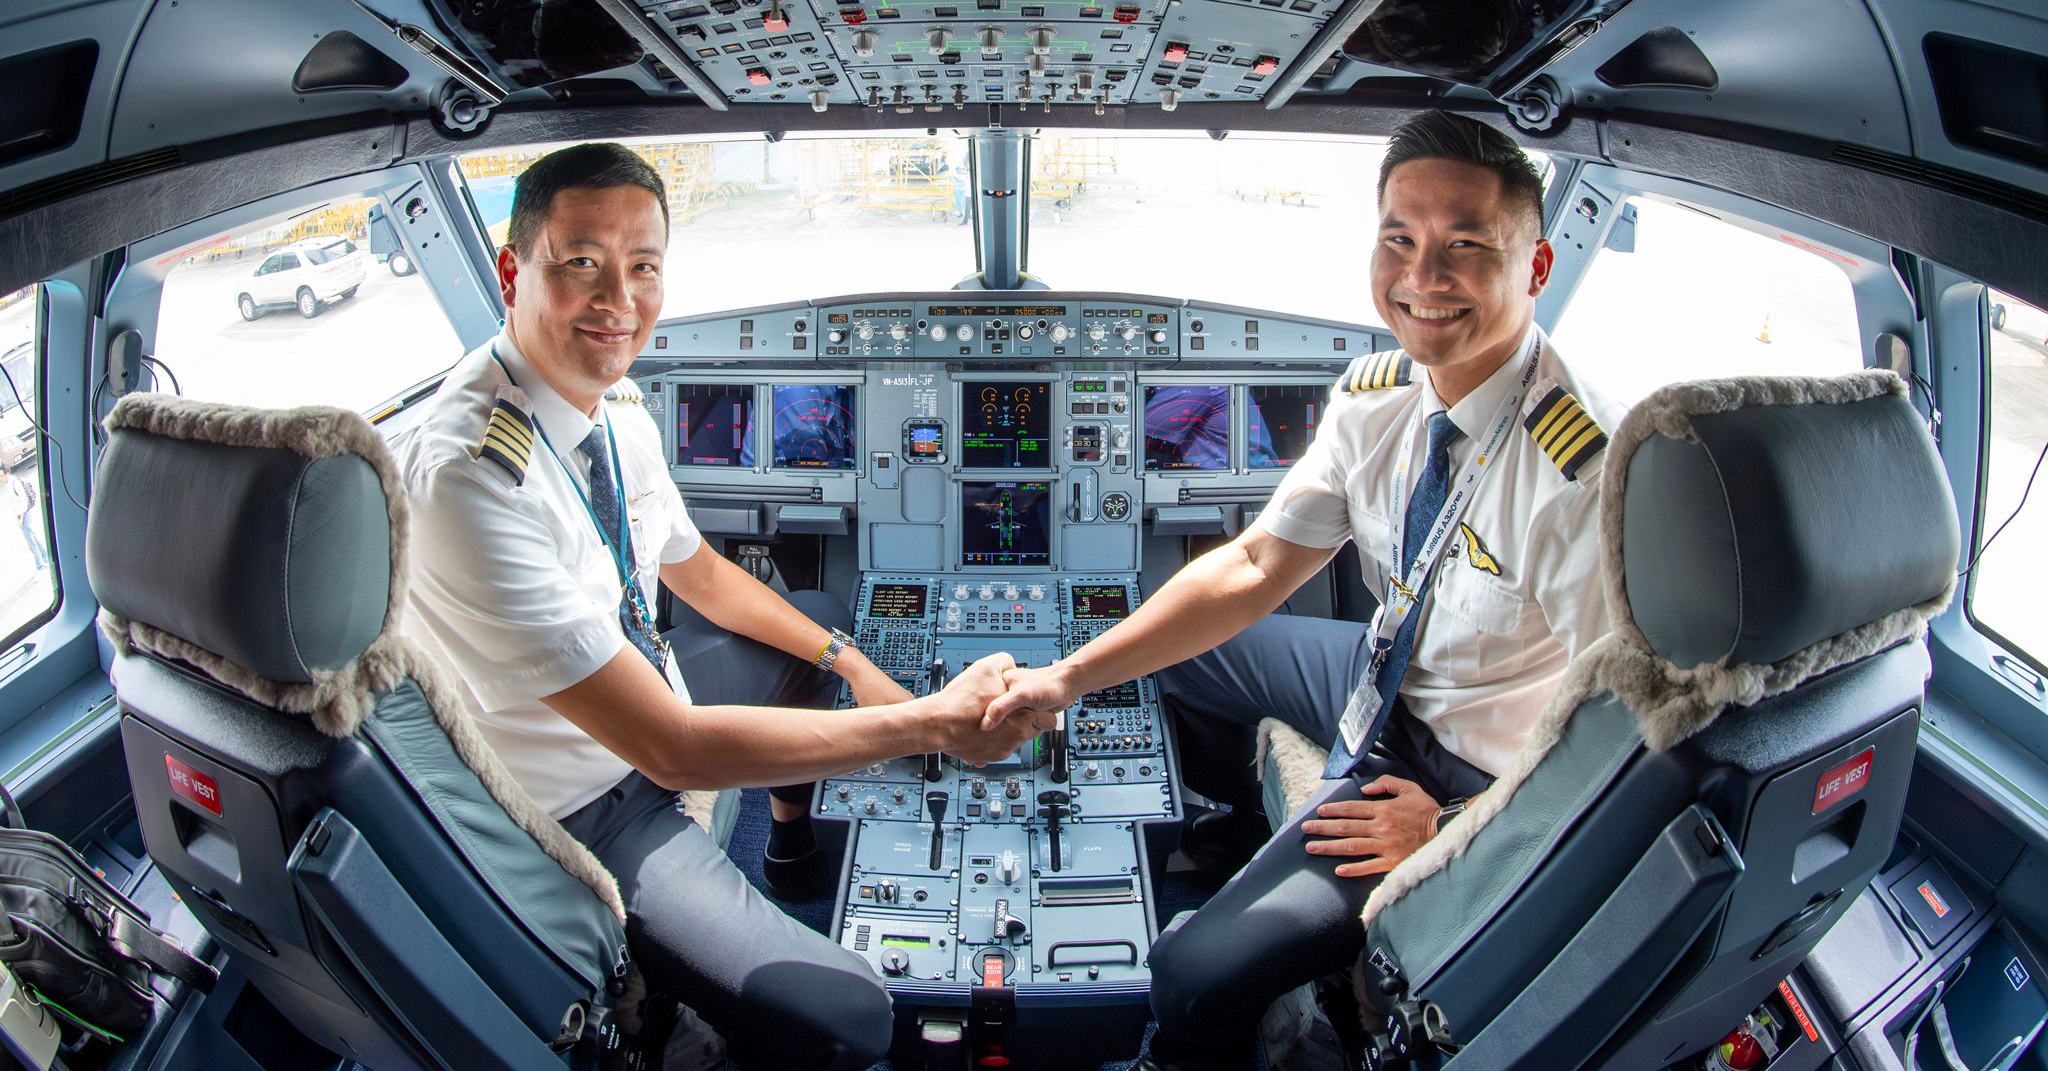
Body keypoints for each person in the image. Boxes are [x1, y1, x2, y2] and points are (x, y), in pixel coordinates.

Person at [981, 110, 1618, 1069]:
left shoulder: (1579, 475)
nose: (1422, 277)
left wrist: (1451, 830)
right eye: (1399, 239)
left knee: (1191, 976)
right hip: (1389, 682)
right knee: (1204, 652)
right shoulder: (1376, 400)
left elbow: (1620, 738)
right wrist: (1067, 677)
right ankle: (1228, 828)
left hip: (1472, 768)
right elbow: (1253, 568)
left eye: (1466, 247)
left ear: (1534, 267)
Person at [398, 142, 1043, 1071]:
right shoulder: (470, 474)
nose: (618, 300)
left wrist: (850, 661)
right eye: (580, 262)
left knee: (815, 620)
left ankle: (783, 842)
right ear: (512, 269)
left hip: (637, 691)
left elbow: (698, 573)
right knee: (850, 1018)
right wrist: (927, 724)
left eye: (642, 266)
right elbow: (672, 747)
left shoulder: (611, 410)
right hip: (582, 803)